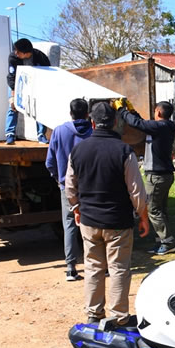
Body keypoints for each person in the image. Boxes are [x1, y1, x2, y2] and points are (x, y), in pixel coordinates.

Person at [65, 101, 149, 325]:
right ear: (114, 122)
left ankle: (94, 314)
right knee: (119, 268)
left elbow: (70, 187)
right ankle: (119, 317)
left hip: (89, 221)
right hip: (117, 222)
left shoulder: (78, 150)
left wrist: (76, 208)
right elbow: (136, 190)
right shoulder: (124, 151)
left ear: (92, 122)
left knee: (93, 267)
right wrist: (143, 216)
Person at [116, 100, 175, 255]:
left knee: (153, 209)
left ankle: (168, 242)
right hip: (162, 175)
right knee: (160, 209)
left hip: (157, 176)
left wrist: (122, 111)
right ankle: (161, 241)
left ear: (158, 111)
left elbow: (139, 124)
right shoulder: (162, 127)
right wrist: (131, 112)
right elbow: (142, 123)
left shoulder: (161, 127)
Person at [46, 98, 92, 282]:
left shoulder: (59, 131)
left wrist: (59, 179)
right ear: (87, 113)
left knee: (70, 225)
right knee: (93, 224)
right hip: (91, 186)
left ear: (70, 113)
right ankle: (99, 266)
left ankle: (71, 268)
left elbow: (50, 162)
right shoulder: (93, 131)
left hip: (67, 187)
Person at [5, 38, 50, 145]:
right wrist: (13, 95)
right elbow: (12, 76)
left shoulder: (41, 57)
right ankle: (10, 134)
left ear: (26, 53)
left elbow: (48, 73)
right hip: (17, 83)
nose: (16, 53)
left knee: (39, 108)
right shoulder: (13, 57)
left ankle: (41, 134)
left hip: (35, 84)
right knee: (13, 107)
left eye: (18, 51)